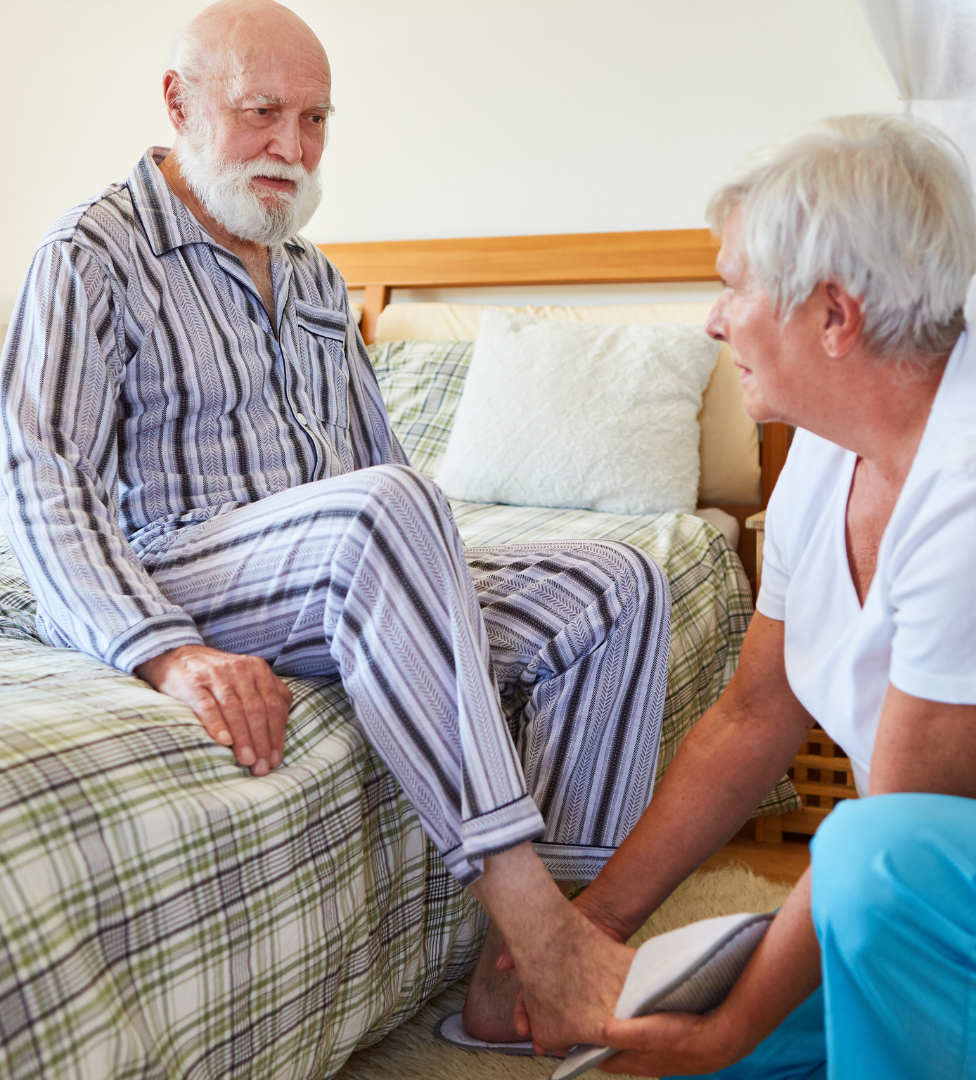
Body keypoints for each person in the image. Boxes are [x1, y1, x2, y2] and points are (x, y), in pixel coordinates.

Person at [0, 0, 670, 1051]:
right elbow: (41, 480)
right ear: (179, 102)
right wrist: (166, 654)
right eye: (263, 110)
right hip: (186, 564)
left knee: (614, 584)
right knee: (390, 513)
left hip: (341, 566)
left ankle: (513, 984)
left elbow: (379, 469)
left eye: (316, 121)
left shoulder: (314, 277)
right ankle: (539, 929)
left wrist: (440, 582)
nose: (292, 146)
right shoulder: (94, 252)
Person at [520, 115, 976, 1077]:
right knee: (632, 1062)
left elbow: (905, 838)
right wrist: (586, 935)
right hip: (952, 910)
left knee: (873, 863)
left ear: (834, 315)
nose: (713, 317)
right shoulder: (828, 446)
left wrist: (725, 1032)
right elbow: (752, 714)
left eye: (735, 283)